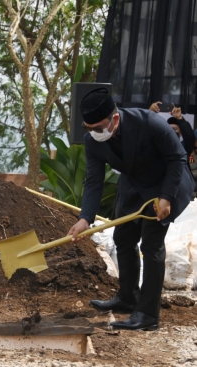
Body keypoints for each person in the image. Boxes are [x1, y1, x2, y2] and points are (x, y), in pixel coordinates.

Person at [68, 87, 194, 331]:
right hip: (134, 186)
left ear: (115, 119)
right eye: (88, 128)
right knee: (123, 237)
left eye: (98, 127)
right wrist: (85, 218)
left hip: (167, 183)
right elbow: (93, 181)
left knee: (151, 243)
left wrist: (166, 197)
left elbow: (177, 158)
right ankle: (128, 297)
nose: (93, 133)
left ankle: (148, 314)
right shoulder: (92, 141)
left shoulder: (148, 122)